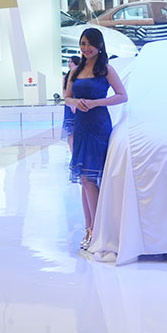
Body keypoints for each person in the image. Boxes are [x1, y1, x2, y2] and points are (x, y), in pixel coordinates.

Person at [64, 28, 127, 251]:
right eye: (83, 43)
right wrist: (75, 102)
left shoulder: (106, 69)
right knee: (84, 180)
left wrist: (95, 103)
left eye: (90, 43)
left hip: (99, 126)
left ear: (99, 45)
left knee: (90, 178)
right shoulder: (75, 71)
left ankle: (100, 230)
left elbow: (122, 96)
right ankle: (90, 228)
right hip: (81, 125)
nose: (86, 48)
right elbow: (67, 97)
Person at [61, 55, 81, 152]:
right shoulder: (66, 77)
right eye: (69, 62)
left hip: (80, 105)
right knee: (71, 132)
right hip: (70, 106)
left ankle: (79, 154)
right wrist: (71, 103)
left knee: (80, 131)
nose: (69, 64)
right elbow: (64, 93)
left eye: (71, 62)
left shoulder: (82, 75)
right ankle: (73, 154)